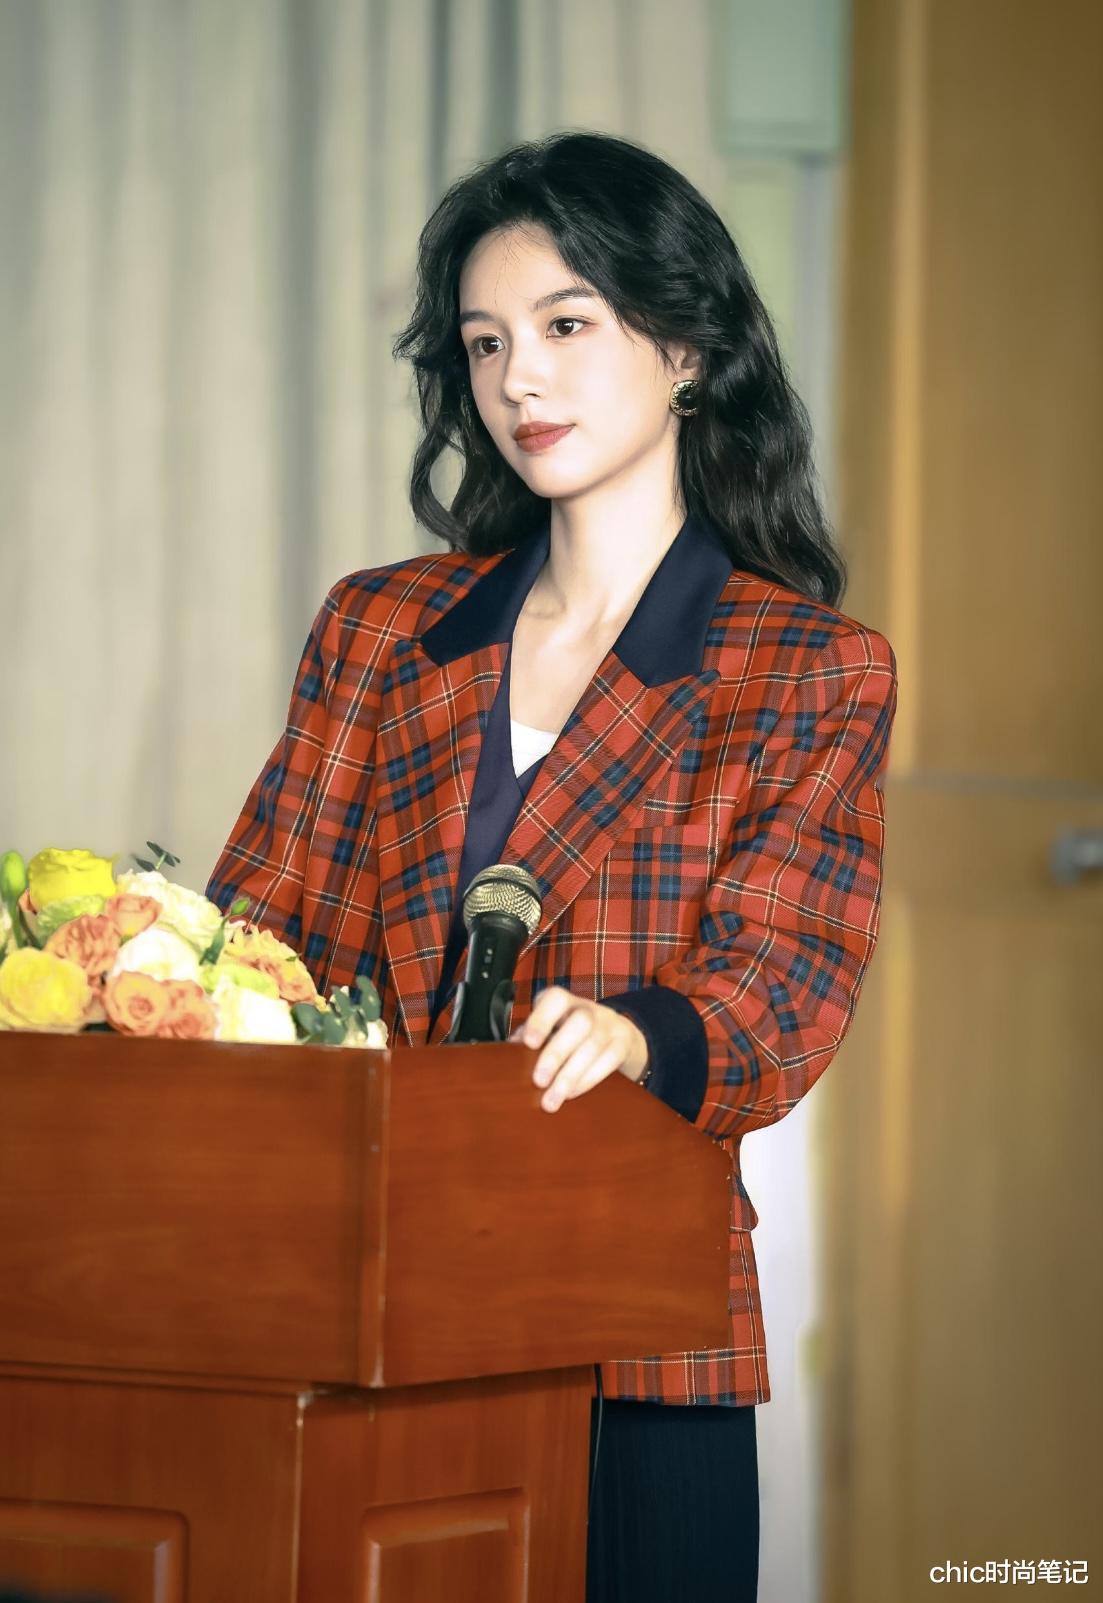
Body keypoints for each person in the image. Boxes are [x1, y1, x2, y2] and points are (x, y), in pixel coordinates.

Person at [207, 129, 898, 1603]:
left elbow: (786, 988)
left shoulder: (807, 666)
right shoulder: (381, 629)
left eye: (567, 326)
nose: (520, 378)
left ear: (688, 349)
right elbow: (253, 933)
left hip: (636, 1322)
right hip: (361, 1304)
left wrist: (639, 1032)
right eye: (485, 343)